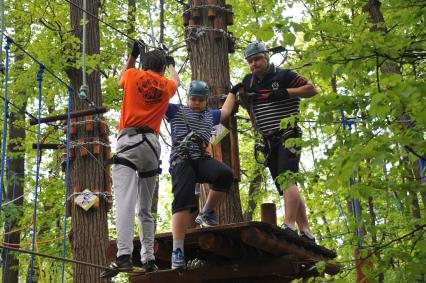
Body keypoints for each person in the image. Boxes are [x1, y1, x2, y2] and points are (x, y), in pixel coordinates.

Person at [100, 41, 180, 278]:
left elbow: (121, 79)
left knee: (124, 200)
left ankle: (124, 255)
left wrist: (132, 55)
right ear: (162, 69)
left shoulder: (133, 75)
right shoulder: (167, 86)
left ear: (144, 64)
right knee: (145, 209)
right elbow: (177, 81)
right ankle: (149, 259)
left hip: (129, 141)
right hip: (152, 147)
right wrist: (172, 63)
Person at [239, 42, 317, 242]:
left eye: (257, 59)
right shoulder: (249, 81)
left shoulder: (285, 76)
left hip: (288, 133)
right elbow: (240, 98)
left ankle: (289, 225)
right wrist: (244, 99)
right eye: (250, 61)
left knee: (287, 178)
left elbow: (311, 89)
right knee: (284, 184)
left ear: (266, 57)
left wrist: (287, 92)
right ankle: (306, 230)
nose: (253, 64)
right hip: (268, 140)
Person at [165, 80, 239, 269]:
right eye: (193, 99)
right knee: (183, 200)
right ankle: (178, 250)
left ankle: (206, 212)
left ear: (206, 101)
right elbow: (159, 99)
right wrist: (170, 73)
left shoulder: (210, 116)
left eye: (200, 100)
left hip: (200, 161)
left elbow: (226, 111)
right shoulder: (176, 111)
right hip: (181, 160)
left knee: (224, 174)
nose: (196, 103)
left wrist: (233, 91)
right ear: (188, 98)